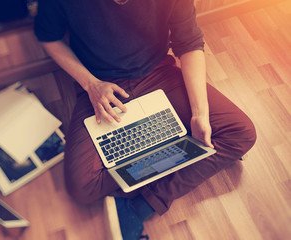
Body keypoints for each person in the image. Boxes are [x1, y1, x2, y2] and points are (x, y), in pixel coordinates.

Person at [34, 0, 257, 239]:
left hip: (159, 73)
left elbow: (190, 42)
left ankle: (141, 206)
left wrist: (199, 114)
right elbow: (50, 37)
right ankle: (188, 152)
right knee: (82, 187)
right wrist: (91, 84)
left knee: (241, 132)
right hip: (100, 87)